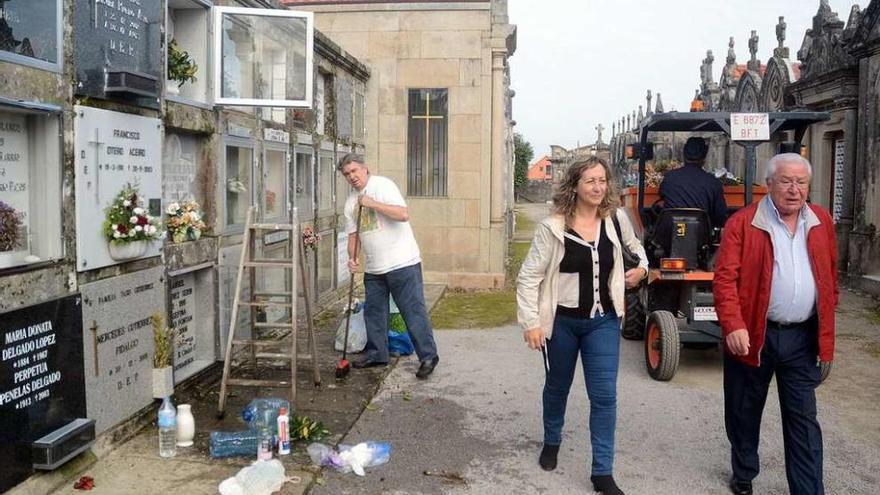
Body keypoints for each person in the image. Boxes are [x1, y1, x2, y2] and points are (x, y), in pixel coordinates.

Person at [516, 157, 648, 495]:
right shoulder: (553, 227)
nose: (597, 187)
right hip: (561, 323)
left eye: (602, 180)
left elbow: (638, 250)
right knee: (557, 387)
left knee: (605, 396)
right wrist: (531, 323)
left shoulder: (616, 219)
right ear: (574, 184)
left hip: (602, 322)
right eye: (590, 180)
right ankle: (552, 440)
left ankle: (602, 472)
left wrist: (642, 270)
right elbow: (529, 278)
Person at [713, 153, 838, 495]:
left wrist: (826, 320)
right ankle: (744, 472)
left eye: (801, 182)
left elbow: (829, 277)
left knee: (803, 419)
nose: (794, 190)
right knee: (743, 411)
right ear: (768, 185)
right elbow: (724, 280)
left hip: (801, 338)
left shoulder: (822, 222)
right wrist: (734, 324)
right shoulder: (743, 222)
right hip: (754, 334)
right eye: (786, 181)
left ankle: (808, 489)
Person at [338, 153, 439, 379]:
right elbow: (353, 236)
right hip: (374, 268)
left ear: (364, 168)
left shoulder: (382, 185)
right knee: (373, 313)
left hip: (402, 263)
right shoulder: (350, 203)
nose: (352, 177)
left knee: (412, 311)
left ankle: (428, 356)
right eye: (347, 174)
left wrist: (371, 203)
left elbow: (403, 214)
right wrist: (352, 258)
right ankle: (377, 353)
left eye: (354, 171)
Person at [659, 136, 728, 228]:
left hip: (669, 235)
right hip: (702, 237)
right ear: (704, 157)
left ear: (684, 155)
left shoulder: (670, 178)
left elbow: (662, 196)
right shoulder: (713, 182)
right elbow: (720, 217)